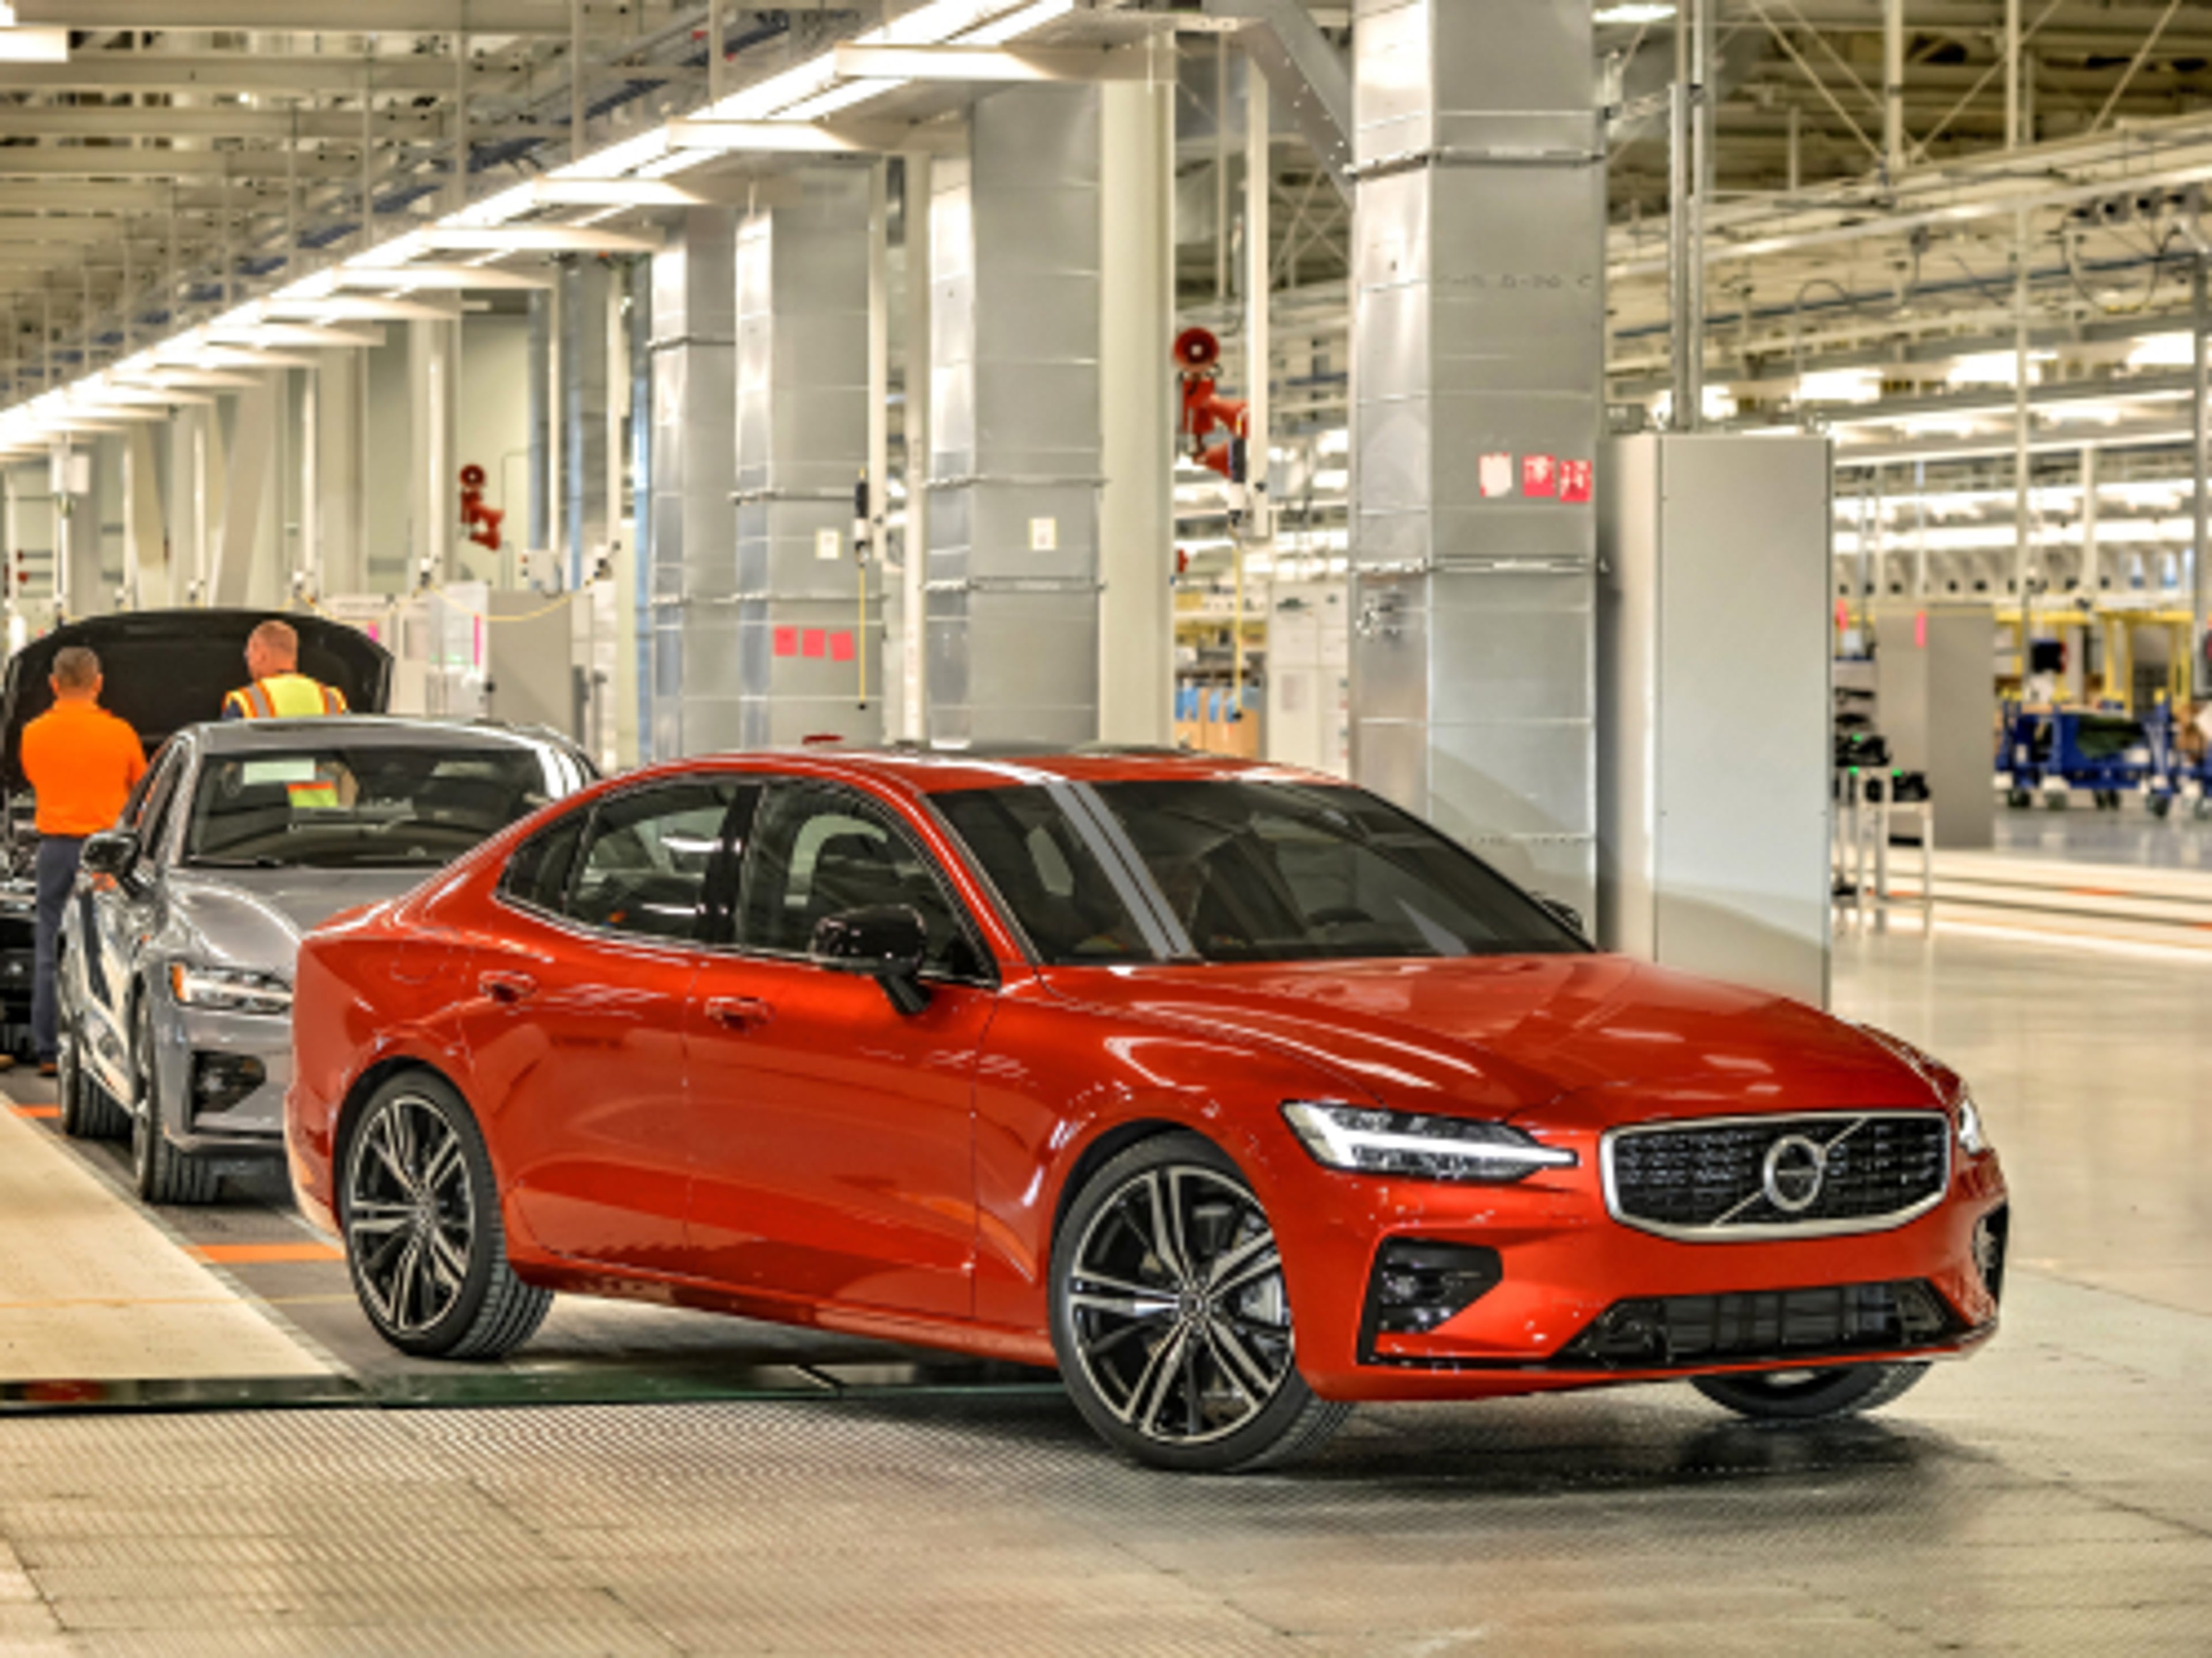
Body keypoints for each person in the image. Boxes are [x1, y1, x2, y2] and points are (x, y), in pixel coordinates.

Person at [20, 645, 146, 1077]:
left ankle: (47, 1050)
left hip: (55, 851)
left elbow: (33, 777)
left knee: (49, 947)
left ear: (54, 684)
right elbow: (142, 792)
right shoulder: (120, 733)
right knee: (102, 948)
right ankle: (102, 1052)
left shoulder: (33, 733)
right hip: (107, 856)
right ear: (99, 683)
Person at [221, 619, 348, 719]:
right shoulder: (331, 699)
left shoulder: (247, 702)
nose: (248, 662)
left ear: (261, 655)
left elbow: (225, 742)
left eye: (249, 655)